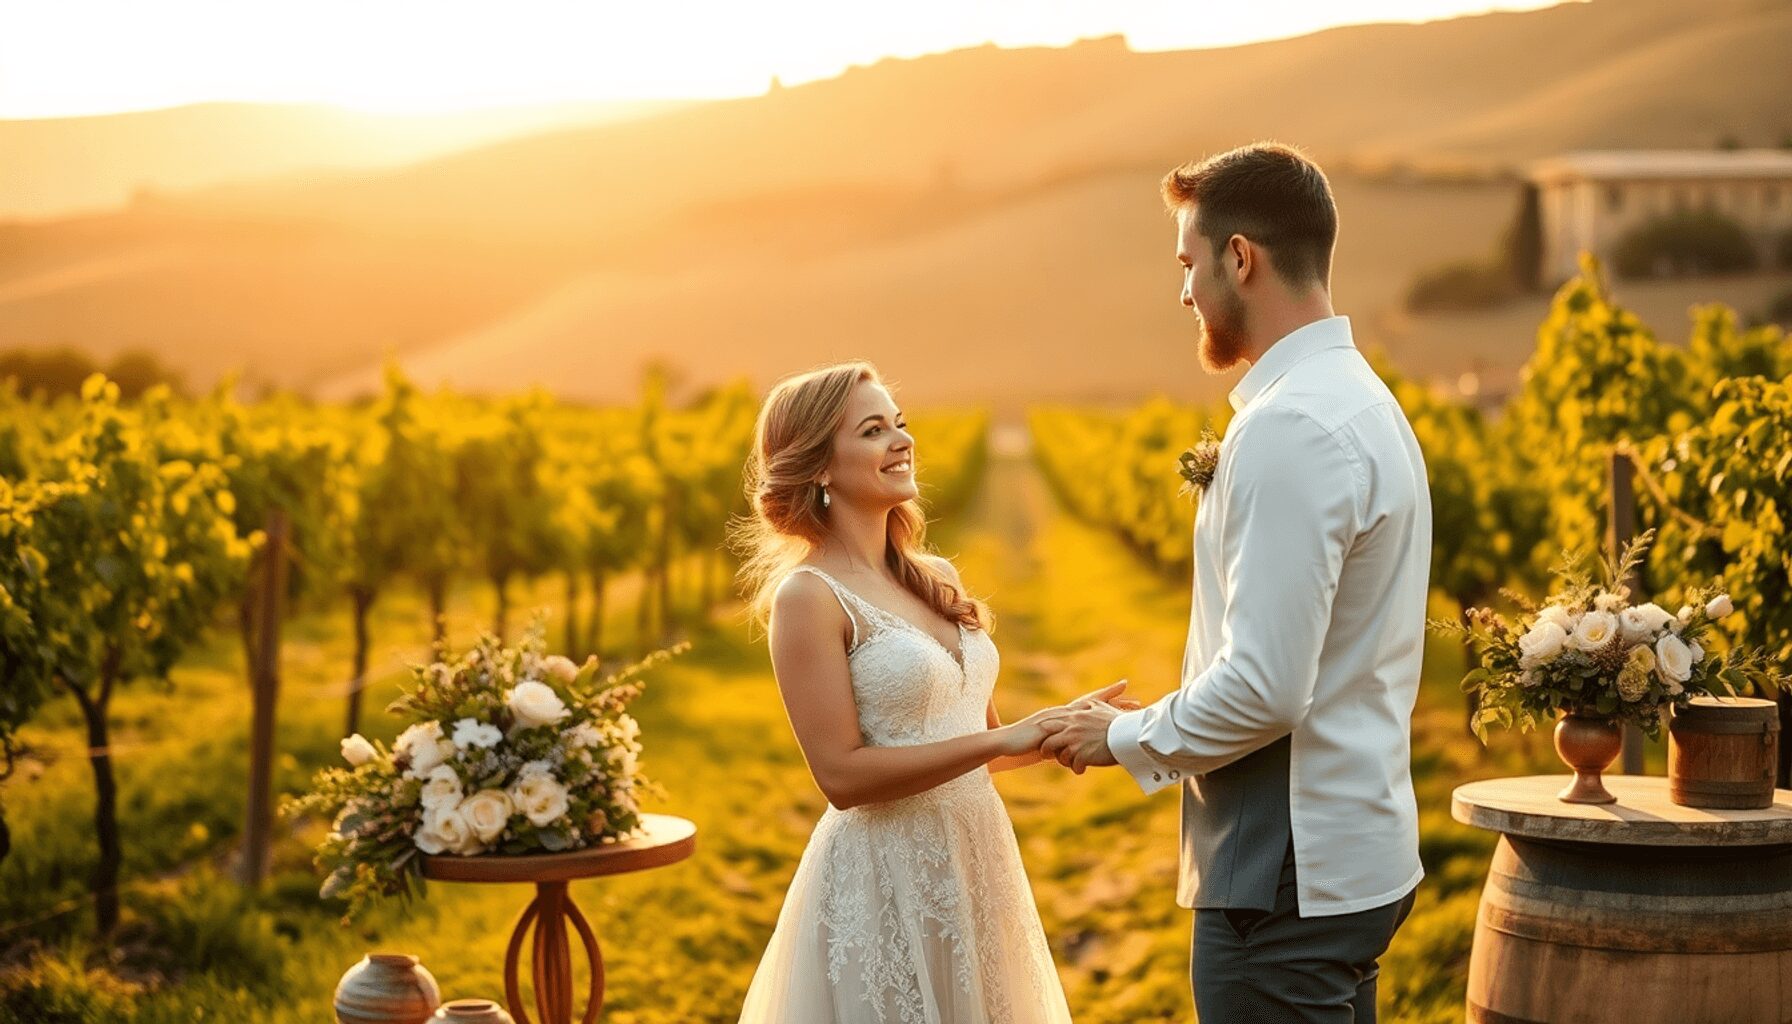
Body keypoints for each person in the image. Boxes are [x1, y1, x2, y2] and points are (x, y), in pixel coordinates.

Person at [1040, 142, 1432, 1022]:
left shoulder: (1292, 427)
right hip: (1353, 851)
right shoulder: (1363, 400)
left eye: (1188, 262)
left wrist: (1123, 736)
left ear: (1240, 257)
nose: (1183, 291)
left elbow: (1265, 687)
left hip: (1284, 878)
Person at [731, 360, 1128, 1023]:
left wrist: (1057, 726)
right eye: (873, 429)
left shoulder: (935, 575)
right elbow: (841, 775)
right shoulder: (810, 597)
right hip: (886, 876)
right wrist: (1005, 736)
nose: (901, 440)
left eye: (901, 423)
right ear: (820, 466)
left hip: (975, 859)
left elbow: (978, 741)